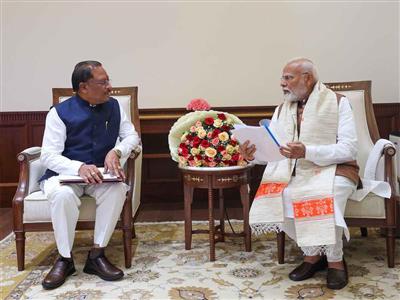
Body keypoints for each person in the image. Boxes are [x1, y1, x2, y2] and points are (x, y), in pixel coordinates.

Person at [240, 58, 359, 290]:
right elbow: (275, 152)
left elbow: (349, 149)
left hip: (337, 168)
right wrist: (253, 155)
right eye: (282, 78)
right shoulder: (282, 109)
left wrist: (308, 151)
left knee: (326, 196)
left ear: (307, 78)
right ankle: (312, 255)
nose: (282, 83)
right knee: (278, 196)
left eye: (288, 78)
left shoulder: (338, 103)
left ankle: (335, 261)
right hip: (293, 170)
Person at [39, 60, 141, 289]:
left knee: (117, 189)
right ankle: (65, 259)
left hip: (102, 174)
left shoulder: (115, 106)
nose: (109, 87)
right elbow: (48, 156)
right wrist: (78, 168)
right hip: (65, 175)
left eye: (108, 80)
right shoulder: (59, 113)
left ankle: (97, 255)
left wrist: (117, 151)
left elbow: (132, 137)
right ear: (84, 87)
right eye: (103, 82)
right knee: (63, 196)